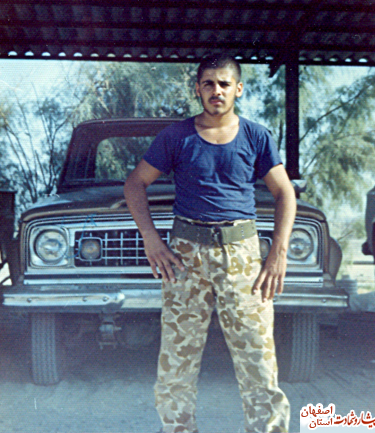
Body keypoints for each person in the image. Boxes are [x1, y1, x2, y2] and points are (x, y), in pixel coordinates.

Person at [124, 55, 296, 433]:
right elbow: (135, 184)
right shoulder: (176, 137)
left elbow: (285, 193)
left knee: (257, 357)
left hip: (242, 255)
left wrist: (277, 254)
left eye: (224, 84)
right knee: (177, 360)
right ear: (198, 89)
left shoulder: (256, 136)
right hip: (185, 255)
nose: (216, 91)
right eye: (208, 84)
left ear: (238, 89)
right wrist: (152, 240)